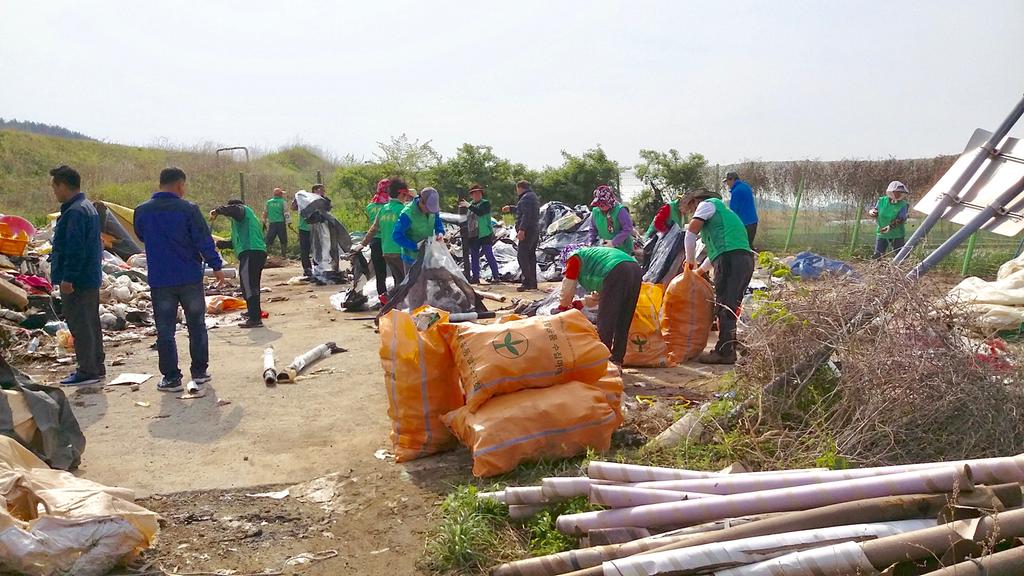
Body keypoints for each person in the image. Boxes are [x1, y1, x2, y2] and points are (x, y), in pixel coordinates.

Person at [134, 168, 226, 392]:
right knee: (197, 326)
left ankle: (171, 378)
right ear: (179, 185)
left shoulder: (142, 211)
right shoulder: (188, 209)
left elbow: (141, 235)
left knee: (165, 330)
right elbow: (203, 240)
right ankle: (199, 372)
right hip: (189, 278)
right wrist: (216, 266)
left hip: (161, 280)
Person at [681, 188, 754, 365]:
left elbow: (690, 234)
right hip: (743, 260)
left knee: (725, 305)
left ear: (696, 201)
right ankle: (731, 344)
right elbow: (715, 253)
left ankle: (724, 352)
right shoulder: (723, 216)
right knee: (731, 304)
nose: (692, 210)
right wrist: (699, 271)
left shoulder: (707, 204)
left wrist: (689, 262)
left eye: (691, 206)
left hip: (730, 260)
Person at [49, 165, 105, 386]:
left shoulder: (74, 212)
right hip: (89, 276)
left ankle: (87, 371)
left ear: (63, 185)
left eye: (55, 187)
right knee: (91, 323)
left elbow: (75, 249)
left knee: (81, 325)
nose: (54, 192)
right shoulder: (87, 207)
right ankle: (96, 366)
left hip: (78, 280)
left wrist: (68, 278)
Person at [558, 246, 643, 366]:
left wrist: (563, 306)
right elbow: (603, 295)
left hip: (617, 269)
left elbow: (568, 287)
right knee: (624, 318)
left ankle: (602, 362)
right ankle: (617, 359)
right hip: (635, 269)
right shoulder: (594, 259)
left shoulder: (574, 258)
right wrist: (582, 303)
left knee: (606, 321)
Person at [211, 199, 268, 328]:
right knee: (252, 284)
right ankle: (253, 312)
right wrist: (219, 244)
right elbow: (234, 242)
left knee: (248, 285)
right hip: (255, 252)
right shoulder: (244, 222)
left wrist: (218, 211)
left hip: (250, 252)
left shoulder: (243, 211)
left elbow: (235, 209)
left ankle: (255, 318)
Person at [351, 178, 408, 303]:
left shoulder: (383, 209)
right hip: (400, 250)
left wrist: (362, 244)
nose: (406, 198)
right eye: (405, 195)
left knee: (391, 277)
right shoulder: (403, 210)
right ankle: (388, 297)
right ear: (400, 194)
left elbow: (373, 229)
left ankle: (388, 302)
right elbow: (410, 229)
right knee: (406, 281)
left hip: (386, 250)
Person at [502, 180, 539, 292]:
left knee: (522, 256)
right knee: (531, 256)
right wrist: (511, 208)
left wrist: (522, 230)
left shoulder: (525, 198)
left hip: (527, 231)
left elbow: (526, 215)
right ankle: (533, 283)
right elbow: (523, 210)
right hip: (534, 229)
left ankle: (527, 282)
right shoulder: (532, 196)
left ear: (519, 188)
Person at [461, 184, 501, 284]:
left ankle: (496, 276)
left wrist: (469, 206)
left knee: (488, 254)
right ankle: (475, 277)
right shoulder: (469, 205)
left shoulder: (485, 204)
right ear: (471, 195)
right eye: (475, 193)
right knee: (474, 256)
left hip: (485, 233)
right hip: (473, 234)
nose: (477, 195)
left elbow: (480, 212)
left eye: (479, 193)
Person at [394, 187, 445, 265]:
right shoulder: (407, 214)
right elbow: (396, 236)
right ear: (421, 202)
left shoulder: (433, 211)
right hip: (412, 258)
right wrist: (415, 246)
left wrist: (440, 232)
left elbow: (438, 222)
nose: (430, 212)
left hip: (429, 255)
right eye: (428, 209)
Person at [869, 181, 910, 259]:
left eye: (901, 192)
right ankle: (878, 266)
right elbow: (876, 210)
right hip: (882, 232)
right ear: (891, 192)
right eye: (897, 192)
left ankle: (900, 266)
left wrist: (889, 227)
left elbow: (901, 219)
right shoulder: (882, 201)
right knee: (878, 255)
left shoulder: (903, 205)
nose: (899, 194)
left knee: (900, 255)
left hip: (897, 234)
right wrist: (872, 212)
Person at [364, 179, 391, 297]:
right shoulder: (389, 207)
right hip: (389, 241)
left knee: (380, 273)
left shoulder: (370, 206)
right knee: (396, 271)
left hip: (375, 240)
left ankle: (382, 296)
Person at [588, 185, 634, 254]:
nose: (600, 206)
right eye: (598, 204)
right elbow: (593, 229)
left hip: (623, 249)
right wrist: (591, 242)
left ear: (609, 201)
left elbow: (628, 228)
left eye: (603, 204)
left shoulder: (620, 210)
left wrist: (613, 242)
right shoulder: (596, 212)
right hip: (606, 249)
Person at [723, 171, 759, 246]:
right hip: (753, 221)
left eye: (727, 181)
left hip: (744, 224)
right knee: (749, 245)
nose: (727, 184)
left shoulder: (736, 191)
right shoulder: (746, 186)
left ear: (732, 179)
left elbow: (733, 211)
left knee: (741, 247)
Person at [262, 188, 288, 258]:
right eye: (281, 193)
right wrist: (289, 222)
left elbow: (265, 212)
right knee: (283, 239)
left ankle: (265, 255)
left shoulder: (268, 202)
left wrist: (264, 221)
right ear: (280, 194)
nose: (282, 195)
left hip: (272, 223)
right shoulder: (283, 202)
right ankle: (283, 256)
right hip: (281, 223)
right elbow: (286, 213)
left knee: (269, 239)